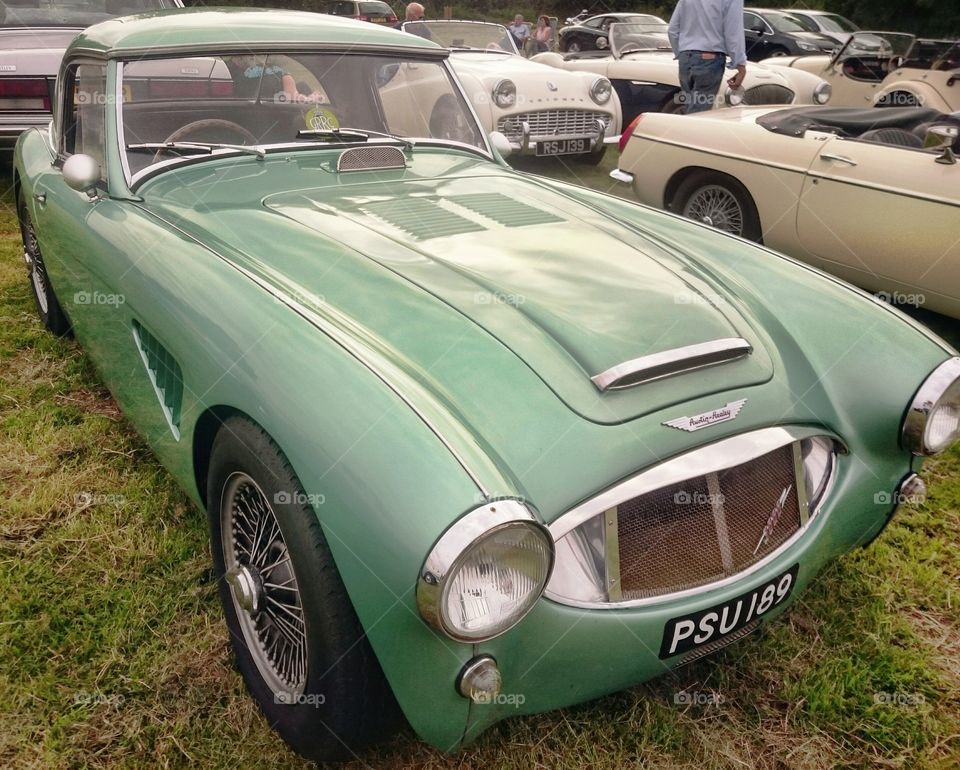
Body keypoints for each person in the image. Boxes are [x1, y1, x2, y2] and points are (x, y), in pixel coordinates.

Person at [667, 0, 746, 114]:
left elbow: (672, 30)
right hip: (710, 58)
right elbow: (733, 32)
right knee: (698, 114)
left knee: (690, 107)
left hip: (685, 57)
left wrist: (681, 53)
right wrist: (740, 64)